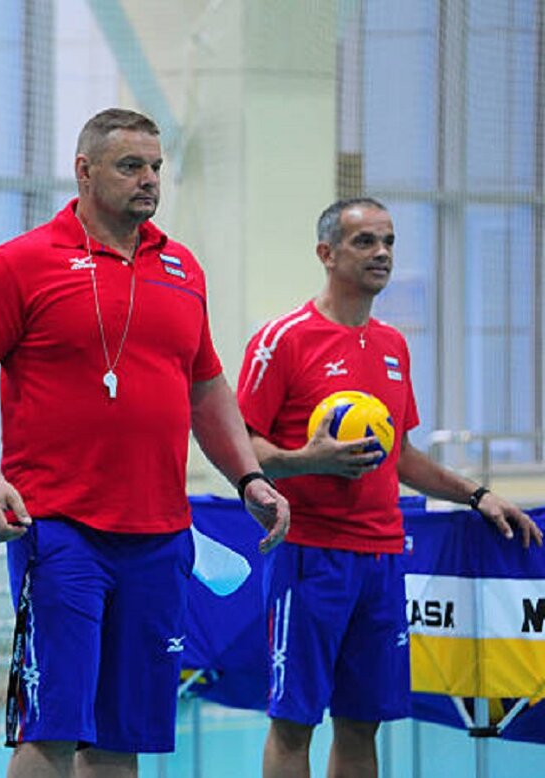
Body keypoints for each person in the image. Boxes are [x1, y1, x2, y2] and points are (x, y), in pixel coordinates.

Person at [0, 108, 291, 777]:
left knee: (122, 740)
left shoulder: (182, 268)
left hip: (158, 537)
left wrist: (248, 479)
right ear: (84, 172)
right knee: (52, 729)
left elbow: (206, 390)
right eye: (131, 166)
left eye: (156, 167)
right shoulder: (20, 264)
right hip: (59, 532)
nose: (149, 180)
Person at [236, 197, 543, 778]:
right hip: (308, 558)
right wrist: (310, 460)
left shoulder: (392, 346)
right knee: (295, 721)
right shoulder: (284, 340)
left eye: (389, 241)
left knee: (361, 722)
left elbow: (400, 457)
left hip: (381, 558)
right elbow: (241, 448)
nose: (381, 253)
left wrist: (477, 495)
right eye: (365, 242)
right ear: (327, 253)